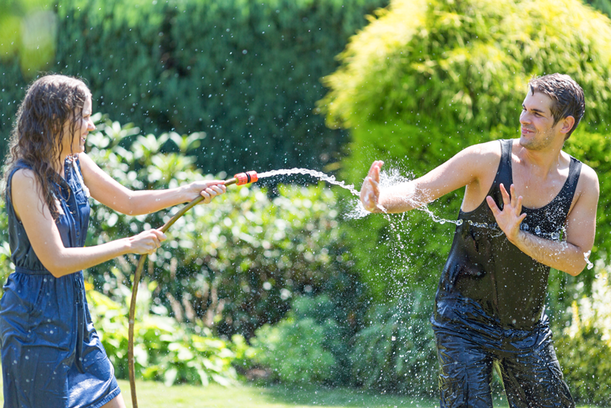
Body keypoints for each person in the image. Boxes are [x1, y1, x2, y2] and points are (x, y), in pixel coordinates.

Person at [360, 73, 599, 407]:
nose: (523, 118)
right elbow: (418, 191)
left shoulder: (582, 182)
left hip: (527, 329)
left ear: (565, 125)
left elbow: (576, 261)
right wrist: (378, 200)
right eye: (524, 108)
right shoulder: (486, 160)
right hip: (463, 321)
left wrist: (518, 236)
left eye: (537, 113)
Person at [0, 74, 226, 408]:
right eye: (84, 118)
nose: (91, 126)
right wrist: (127, 245)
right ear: (55, 120)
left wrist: (187, 192)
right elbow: (57, 261)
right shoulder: (26, 179)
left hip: (75, 318)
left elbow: (130, 202)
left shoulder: (76, 163)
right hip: (34, 322)